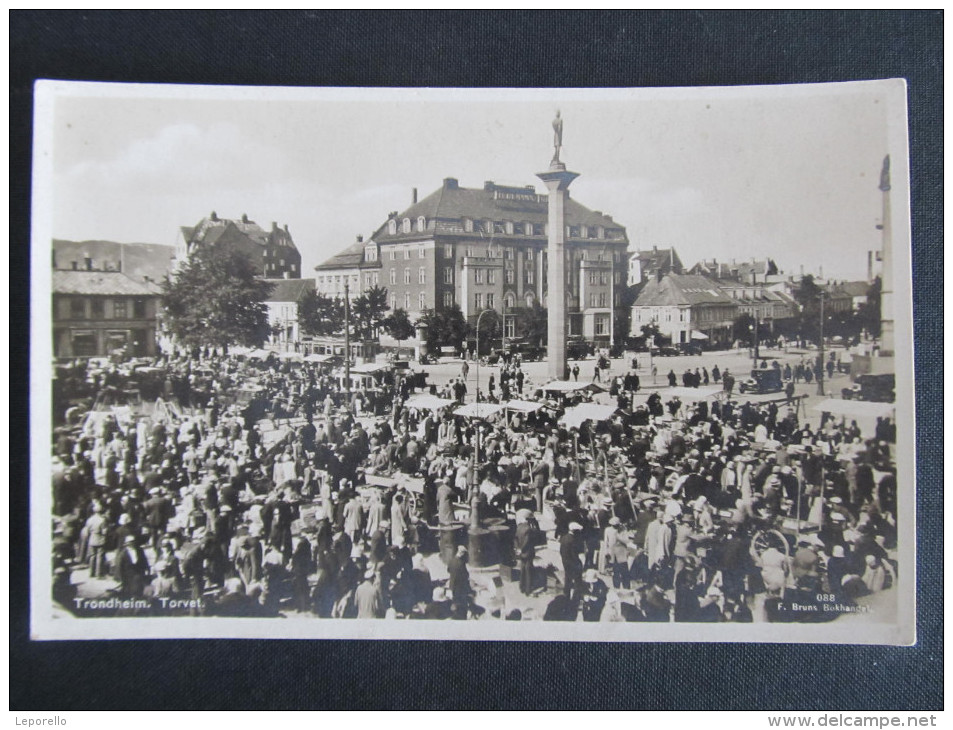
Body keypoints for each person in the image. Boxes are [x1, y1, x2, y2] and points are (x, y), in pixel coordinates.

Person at [514, 509, 540, 596]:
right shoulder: (529, 529)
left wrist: (518, 548)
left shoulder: (519, 527)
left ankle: (521, 587)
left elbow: (515, 539)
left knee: (522, 569)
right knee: (528, 570)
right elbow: (527, 540)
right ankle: (528, 589)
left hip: (521, 553)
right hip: (528, 552)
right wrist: (522, 549)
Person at [560, 522, 584, 600]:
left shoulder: (564, 538)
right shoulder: (573, 540)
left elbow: (561, 551)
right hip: (573, 564)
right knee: (578, 582)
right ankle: (575, 599)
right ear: (575, 531)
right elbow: (574, 555)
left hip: (565, 562)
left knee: (568, 581)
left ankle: (566, 597)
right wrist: (579, 564)